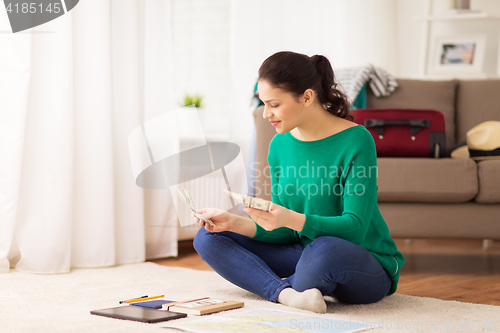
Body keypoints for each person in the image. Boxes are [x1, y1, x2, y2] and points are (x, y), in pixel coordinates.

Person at [192, 51, 405, 313]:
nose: (265, 114)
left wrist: (291, 219)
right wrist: (234, 222)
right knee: (208, 237)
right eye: (263, 104)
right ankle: (286, 294)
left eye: (274, 104)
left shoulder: (357, 140)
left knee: (323, 250)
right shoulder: (279, 145)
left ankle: (284, 286)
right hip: (303, 254)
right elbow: (287, 231)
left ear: (306, 97)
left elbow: (356, 228)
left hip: (360, 261)